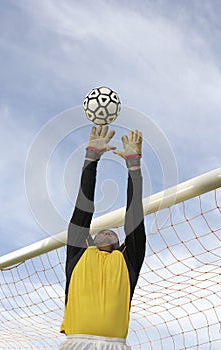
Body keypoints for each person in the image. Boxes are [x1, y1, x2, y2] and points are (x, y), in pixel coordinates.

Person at [59, 125, 146, 350]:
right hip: (76, 344)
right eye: (102, 232)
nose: (107, 232)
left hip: (116, 345)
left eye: (112, 233)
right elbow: (83, 208)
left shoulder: (128, 261)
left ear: (120, 245)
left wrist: (133, 166)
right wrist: (92, 158)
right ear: (90, 239)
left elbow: (134, 215)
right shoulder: (79, 252)